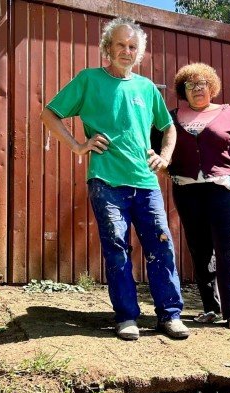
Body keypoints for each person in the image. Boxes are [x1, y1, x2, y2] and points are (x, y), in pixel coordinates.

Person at [40, 18, 189, 341]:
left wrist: (164, 157)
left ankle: (170, 315)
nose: (126, 51)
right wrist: (79, 146)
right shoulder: (89, 80)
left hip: (145, 183)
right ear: (107, 48)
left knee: (161, 245)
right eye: (120, 45)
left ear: (140, 53)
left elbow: (169, 127)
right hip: (105, 181)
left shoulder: (147, 88)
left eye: (133, 47)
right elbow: (49, 114)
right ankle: (126, 317)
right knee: (117, 248)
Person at [167, 63, 230, 331]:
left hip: (222, 189)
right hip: (186, 189)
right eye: (190, 85)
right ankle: (210, 307)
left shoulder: (229, 114)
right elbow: (157, 147)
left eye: (202, 84)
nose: (197, 89)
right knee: (199, 247)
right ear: (183, 90)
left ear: (212, 87)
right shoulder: (171, 117)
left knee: (227, 247)